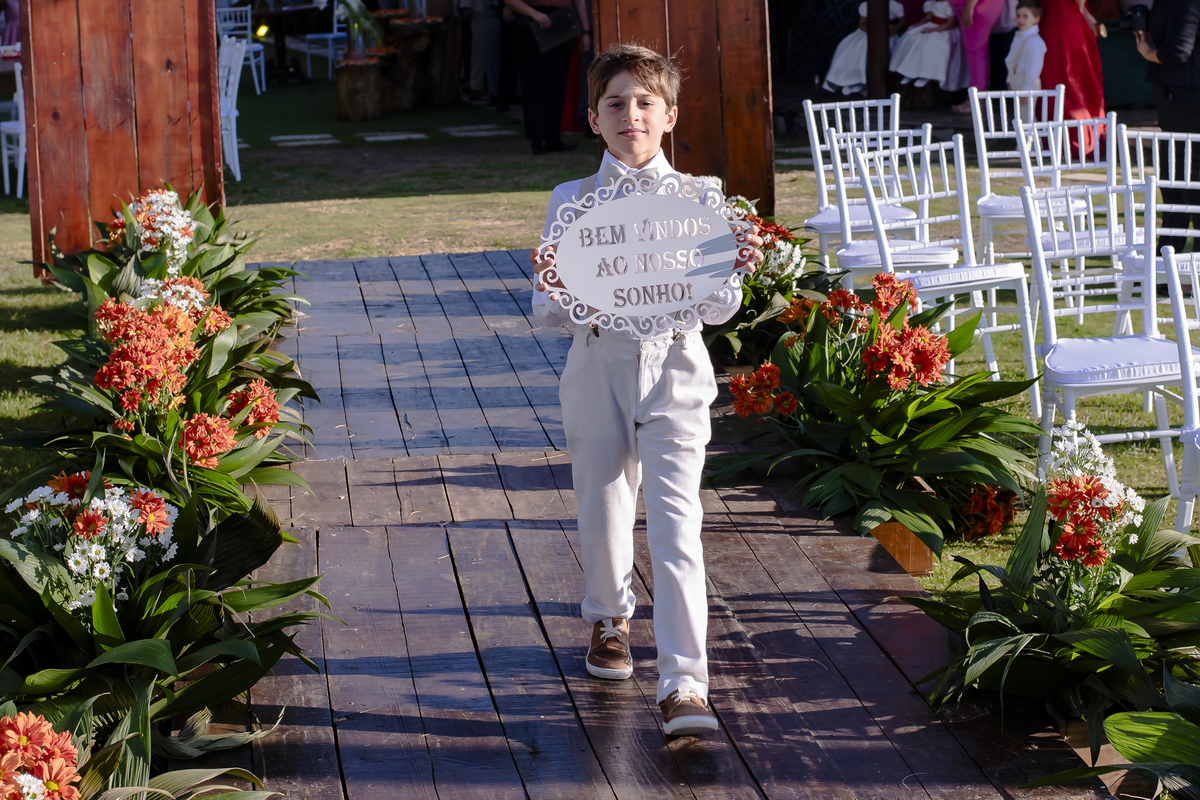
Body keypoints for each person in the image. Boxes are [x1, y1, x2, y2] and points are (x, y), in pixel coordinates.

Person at [529, 44, 764, 736]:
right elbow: (546, 314)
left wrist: (734, 265)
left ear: (670, 116)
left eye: (644, 102)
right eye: (615, 103)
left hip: (676, 369)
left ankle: (686, 683)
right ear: (594, 120)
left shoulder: (701, 197)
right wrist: (554, 282)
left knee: (676, 523)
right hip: (597, 364)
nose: (630, 114)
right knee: (602, 504)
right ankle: (607, 616)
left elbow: (718, 309)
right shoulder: (570, 202)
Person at [1137, 0, 1200, 252]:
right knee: (1172, 185)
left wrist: (1146, 51)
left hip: (1188, 105)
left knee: (1189, 186)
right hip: (1176, 104)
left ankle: (1191, 275)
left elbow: (1177, 51)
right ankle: (1166, 267)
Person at [505, 0, 590, 154]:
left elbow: (579, 1)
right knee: (534, 82)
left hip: (561, 18)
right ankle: (536, 140)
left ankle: (553, 138)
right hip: (530, 19)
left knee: (558, 82)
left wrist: (586, 31)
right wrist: (533, 13)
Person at [1038, 0, 1104, 137]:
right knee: (1067, 78)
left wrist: (1082, 11)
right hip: (1062, 17)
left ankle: (1072, 135)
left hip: (1060, 17)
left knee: (1065, 77)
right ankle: (1077, 134)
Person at [823, 1, 908, 95]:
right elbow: (862, 24)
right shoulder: (866, 5)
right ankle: (853, 81)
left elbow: (902, 21)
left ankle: (867, 83)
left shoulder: (893, 4)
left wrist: (893, 28)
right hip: (867, 32)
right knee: (858, 46)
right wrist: (873, 32)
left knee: (883, 48)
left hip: (888, 33)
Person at [889, 0, 971, 91]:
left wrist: (933, 30)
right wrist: (920, 24)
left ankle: (926, 75)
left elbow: (950, 23)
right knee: (910, 37)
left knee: (929, 45)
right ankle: (909, 72)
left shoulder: (948, 5)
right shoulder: (930, 3)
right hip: (931, 26)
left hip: (942, 30)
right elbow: (928, 18)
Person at [948, 0, 1010, 110]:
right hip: (971, 6)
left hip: (976, 6)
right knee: (976, 51)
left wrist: (969, 7)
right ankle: (979, 97)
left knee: (975, 51)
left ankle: (976, 100)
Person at [1006, 0, 1046, 90]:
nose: (1020, 20)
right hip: (1016, 83)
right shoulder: (1018, 37)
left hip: (1028, 88)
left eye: (1025, 16)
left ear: (1036, 19)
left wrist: (1027, 90)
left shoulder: (1035, 41)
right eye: (1018, 16)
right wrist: (1009, 81)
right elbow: (1012, 60)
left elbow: (1033, 69)